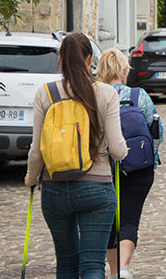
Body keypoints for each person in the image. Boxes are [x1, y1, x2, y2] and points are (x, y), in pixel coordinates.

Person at [25, 33, 128, 279]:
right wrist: (123, 150)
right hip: (97, 189)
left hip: (54, 189)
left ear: (60, 58)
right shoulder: (106, 93)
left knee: (66, 263)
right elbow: (117, 150)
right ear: (91, 58)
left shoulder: (46, 93)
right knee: (92, 265)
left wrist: (31, 177)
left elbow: (37, 149)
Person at [96, 48, 163, 279]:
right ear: (124, 70)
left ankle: (114, 271)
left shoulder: (94, 95)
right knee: (129, 220)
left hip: (102, 169)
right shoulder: (138, 95)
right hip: (137, 169)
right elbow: (157, 130)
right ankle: (123, 268)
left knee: (109, 221)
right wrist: (150, 161)